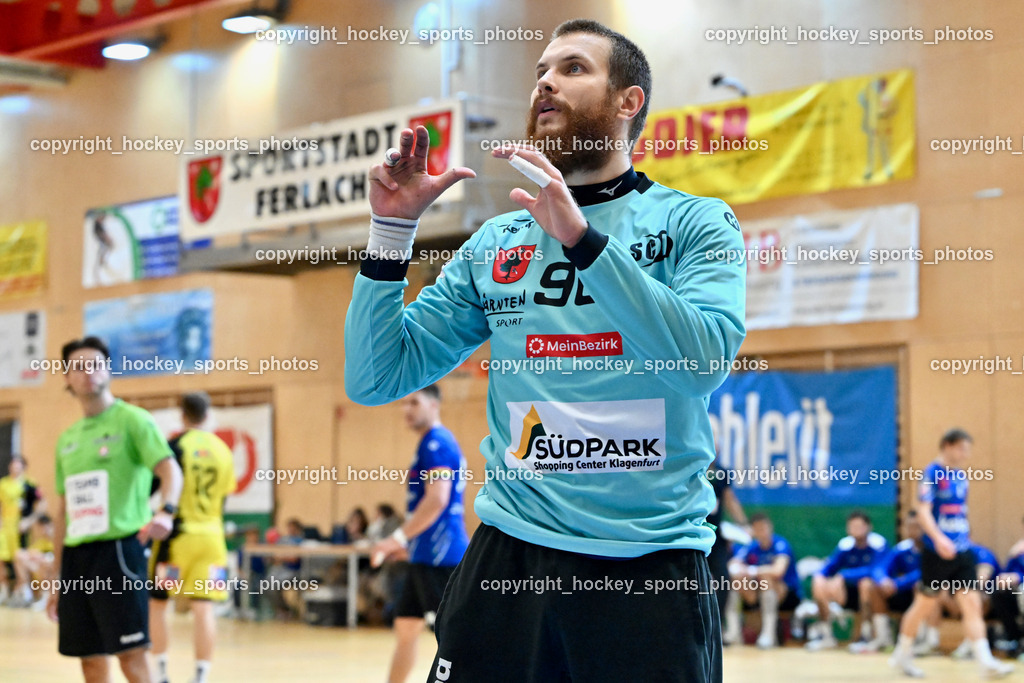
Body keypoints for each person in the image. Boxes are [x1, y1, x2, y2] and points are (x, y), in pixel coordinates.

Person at [345, 18, 746, 681]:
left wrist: (586, 243)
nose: (546, 83)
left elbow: (703, 361)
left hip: (646, 567)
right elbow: (376, 375)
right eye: (539, 72)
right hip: (510, 560)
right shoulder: (498, 242)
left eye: (573, 68)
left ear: (628, 102)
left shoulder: (695, 222)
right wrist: (391, 233)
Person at [48, 336, 183, 683]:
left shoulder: (133, 421)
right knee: (90, 659)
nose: (87, 371)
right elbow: (62, 512)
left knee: (131, 655)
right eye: (78, 366)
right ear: (66, 377)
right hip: (78, 558)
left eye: (94, 363)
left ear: (107, 369)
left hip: (119, 552)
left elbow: (170, 469)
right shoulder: (67, 438)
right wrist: (56, 577)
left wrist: (166, 510)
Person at [889, 429, 1013, 677]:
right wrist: (938, 539)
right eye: (962, 448)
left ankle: (985, 661)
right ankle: (902, 655)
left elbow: (957, 513)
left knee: (971, 602)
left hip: (962, 550)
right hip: (937, 552)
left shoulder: (960, 476)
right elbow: (923, 512)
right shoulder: (932, 474)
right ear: (947, 446)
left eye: (967, 449)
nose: (965, 454)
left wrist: (962, 539)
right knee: (924, 605)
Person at [370, 384, 469, 683]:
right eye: (403, 404)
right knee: (406, 627)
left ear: (434, 405)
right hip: (423, 554)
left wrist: (396, 538)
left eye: (414, 402)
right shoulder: (429, 443)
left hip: (440, 556)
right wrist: (410, 545)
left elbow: (437, 499)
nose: (407, 410)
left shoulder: (436, 443)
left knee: (456, 639)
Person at [149, 392, 237, 683]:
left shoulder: (174, 446)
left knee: (158, 603)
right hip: (213, 541)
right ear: (208, 413)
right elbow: (224, 498)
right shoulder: (223, 450)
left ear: (181, 414)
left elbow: (153, 486)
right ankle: (201, 676)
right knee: (204, 607)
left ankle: (161, 672)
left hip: (178, 541)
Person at [806, 510, 888, 651]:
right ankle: (826, 636)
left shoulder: (879, 544)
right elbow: (828, 567)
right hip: (847, 594)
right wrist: (821, 577)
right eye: (852, 526)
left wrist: (843, 576)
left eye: (859, 526)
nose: (856, 530)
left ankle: (866, 636)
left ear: (869, 527)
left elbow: (876, 571)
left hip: (873, 594)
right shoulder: (845, 545)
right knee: (818, 582)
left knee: (866, 584)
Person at [851, 510, 923, 653]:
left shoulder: (934, 549)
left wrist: (898, 584)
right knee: (872, 587)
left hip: (921, 595)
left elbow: (926, 573)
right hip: (900, 594)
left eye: (917, 526)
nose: (912, 530)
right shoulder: (902, 549)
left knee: (922, 586)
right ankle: (883, 637)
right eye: (909, 526)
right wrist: (883, 580)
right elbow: (880, 568)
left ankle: (922, 640)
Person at [726, 513, 801, 648]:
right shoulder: (751, 547)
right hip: (757, 596)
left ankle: (768, 634)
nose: (762, 532)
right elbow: (732, 566)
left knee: (767, 578)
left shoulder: (780, 544)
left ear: (770, 527)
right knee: (736, 581)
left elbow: (778, 570)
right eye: (758, 529)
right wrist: (741, 571)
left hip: (786, 594)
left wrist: (752, 571)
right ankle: (733, 633)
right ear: (753, 531)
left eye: (764, 528)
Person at [708, 461, 750, 646]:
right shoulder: (690, 465)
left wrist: (743, 524)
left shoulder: (721, 473)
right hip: (690, 534)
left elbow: (729, 498)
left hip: (714, 536)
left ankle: (717, 628)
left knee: (723, 580)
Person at [0, 454, 44, 603]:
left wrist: (29, 521)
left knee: (21, 557)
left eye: (19, 464)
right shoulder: (3, 484)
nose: (15, 466)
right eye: (13, 464)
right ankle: (5, 589)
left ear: (23, 467)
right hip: (6, 527)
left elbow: (42, 505)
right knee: (3, 558)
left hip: (21, 528)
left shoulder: (29, 484)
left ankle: (25, 590)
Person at [11, 514, 55, 609]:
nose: (43, 529)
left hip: (52, 568)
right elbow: (31, 552)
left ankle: (45, 597)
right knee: (19, 555)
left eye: (45, 526)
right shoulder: (37, 538)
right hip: (40, 566)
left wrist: (41, 557)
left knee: (45, 564)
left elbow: (56, 557)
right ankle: (26, 593)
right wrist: (35, 555)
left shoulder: (55, 538)